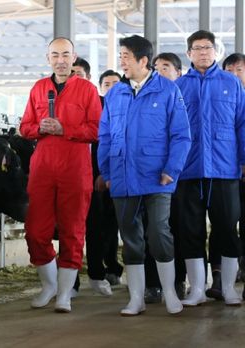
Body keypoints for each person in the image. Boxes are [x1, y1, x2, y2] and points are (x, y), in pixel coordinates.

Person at [98, 35, 191, 316]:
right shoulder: (116, 93)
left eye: (126, 56)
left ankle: (171, 293)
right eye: (121, 55)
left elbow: (181, 135)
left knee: (159, 232)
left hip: (158, 176)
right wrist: (107, 171)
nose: (122, 61)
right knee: (130, 238)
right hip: (123, 175)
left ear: (143, 60)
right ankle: (135, 298)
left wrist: (171, 170)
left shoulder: (167, 90)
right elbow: (104, 135)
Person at [20, 37, 101, 313]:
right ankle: (49, 285)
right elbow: (25, 127)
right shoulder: (39, 88)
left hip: (76, 166)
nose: (61, 60)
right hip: (43, 166)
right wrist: (41, 127)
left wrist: (64, 128)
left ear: (74, 57)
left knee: (73, 230)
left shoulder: (88, 90)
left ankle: (65, 293)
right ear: (48, 58)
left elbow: (96, 130)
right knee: (34, 230)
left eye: (66, 54)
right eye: (55, 55)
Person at [174, 30, 245, 307]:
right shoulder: (179, 86)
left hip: (224, 169)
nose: (203, 52)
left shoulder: (231, 83)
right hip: (188, 171)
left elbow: (241, 125)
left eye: (207, 48)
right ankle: (196, 289)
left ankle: (227, 287)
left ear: (215, 51)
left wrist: (243, 160)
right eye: (197, 48)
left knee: (227, 228)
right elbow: (172, 129)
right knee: (190, 230)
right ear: (189, 54)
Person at [143, 52, 187, 304]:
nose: (159, 72)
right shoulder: (148, 97)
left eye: (166, 67)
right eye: (156, 67)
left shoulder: (181, 96)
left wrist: (173, 168)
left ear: (178, 73)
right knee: (153, 228)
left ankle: (177, 280)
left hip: (178, 174)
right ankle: (152, 284)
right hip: (153, 176)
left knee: (177, 227)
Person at [206, 52, 245, 301]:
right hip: (226, 171)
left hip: (237, 166)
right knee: (223, 224)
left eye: (239, 69)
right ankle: (219, 278)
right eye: (229, 70)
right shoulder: (222, 96)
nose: (234, 74)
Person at [85, 69, 123, 296]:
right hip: (98, 177)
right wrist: (101, 173)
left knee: (115, 224)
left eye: (115, 83)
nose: (111, 87)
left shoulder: (128, 105)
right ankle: (100, 268)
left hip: (122, 174)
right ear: (100, 87)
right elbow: (98, 143)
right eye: (107, 84)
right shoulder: (96, 107)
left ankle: (113, 264)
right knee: (99, 225)